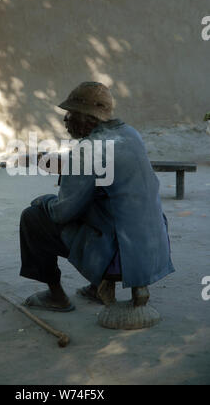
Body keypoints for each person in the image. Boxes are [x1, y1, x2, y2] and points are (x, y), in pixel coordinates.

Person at [19, 82, 175, 311]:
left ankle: (56, 296)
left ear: (86, 117)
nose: (65, 120)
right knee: (103, 203)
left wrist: (44, 200)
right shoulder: (131, 135)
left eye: (70, 113)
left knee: (33, 217)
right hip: (153, 250)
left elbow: (63, 213)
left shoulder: (88, 150)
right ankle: (106, 287)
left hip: (119, 257)